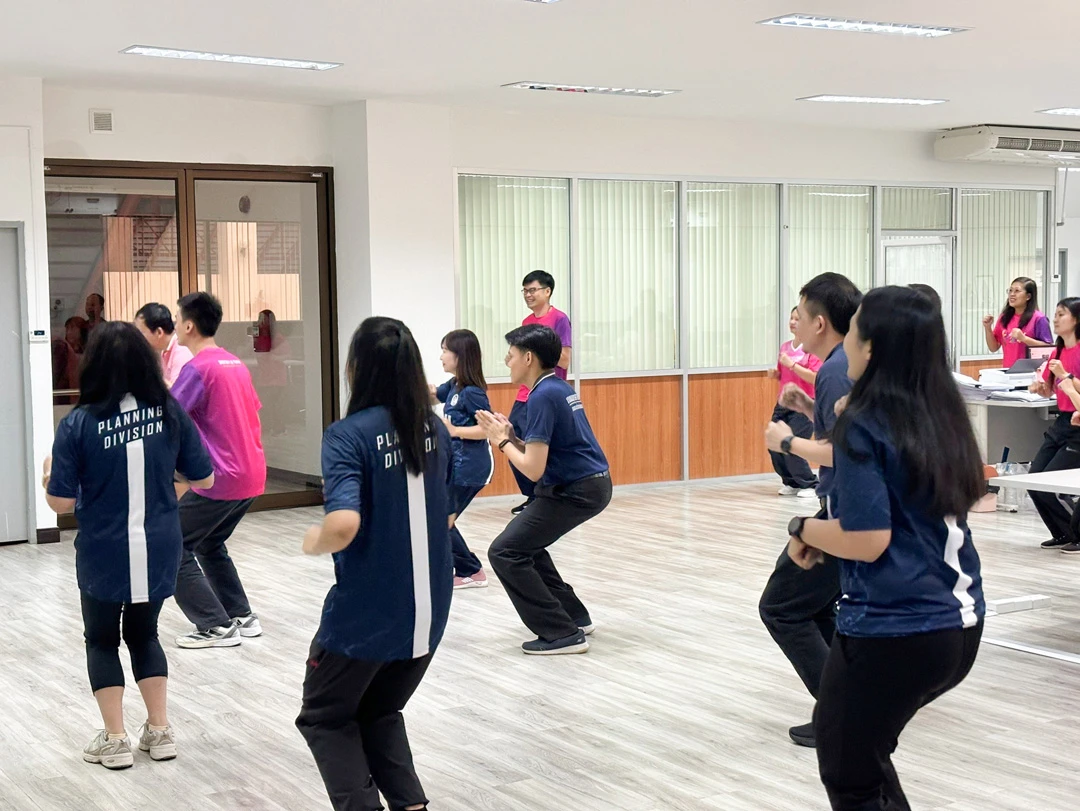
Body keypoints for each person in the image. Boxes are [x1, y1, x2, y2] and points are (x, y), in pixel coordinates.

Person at [788, 286, 984, 810]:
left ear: (871, 347)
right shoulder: (938, 412)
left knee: (849, 771)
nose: (844, 338)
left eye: (852, 330)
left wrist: (803, 529)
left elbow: (869, 540)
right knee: (865, 763)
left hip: (896, 628)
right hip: (958, 625)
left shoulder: (865, 422)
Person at [296, 317, 451, 811]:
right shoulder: (435, 428)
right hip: (430, 608)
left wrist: (314, 541)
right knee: (380, 710)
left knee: (324, 715)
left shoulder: (348, 435)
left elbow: (343, 524)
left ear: (356, 368)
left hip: (368, 613)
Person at [43, 322, 214, 769]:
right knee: (145, 633)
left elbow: (60, 502)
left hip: (104, 548)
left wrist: (49, 477)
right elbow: (205, 477)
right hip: (160, 546)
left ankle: (115, 739)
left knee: (101, 640)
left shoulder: (79, 422)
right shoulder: (170, 412)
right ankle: (159, 731)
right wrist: (161, 493)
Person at [761, 272, 862, 748]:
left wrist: (788, 440)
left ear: (820, 322)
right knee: (816, 607)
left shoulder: (838, 368)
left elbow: (847, 450)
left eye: (799, 313)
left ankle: (845, 715)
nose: (794, 322)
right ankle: (850, 701)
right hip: (845, 507)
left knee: (781, 608)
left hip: (847, 511)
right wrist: (807, 402)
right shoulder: (839, 365)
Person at [477, 325, 611, 655]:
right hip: (585, 484)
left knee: (505, 552)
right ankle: (574, 618)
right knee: (525, 547)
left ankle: (561, 633)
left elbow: (533, 468)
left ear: (528, 357)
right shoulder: (554, 388)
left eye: (509, 356)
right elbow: (542, 454)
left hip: (576, 490)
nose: (506, 361)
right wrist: (512, 436)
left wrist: (502, 441)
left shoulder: (542, 396)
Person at [170, 292, 267, 649]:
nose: (176, 326)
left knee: (170, 543)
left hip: (221, 477)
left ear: (190, 325)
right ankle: (241, 615)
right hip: (252, 474)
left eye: (178, 319)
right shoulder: (234, 363)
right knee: (210, 542)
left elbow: (170, 415)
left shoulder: (198, 368)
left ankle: (213, 625)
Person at [432, 329, 494, 589]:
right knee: (440, 517)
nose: (441, 356)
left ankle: (471, 570)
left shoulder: (472, 392)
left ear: (460, 356)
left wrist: (456, 431)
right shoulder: (454, 386)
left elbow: (488, 428)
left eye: (446, 350)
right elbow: (433, 394)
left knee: (441, 518)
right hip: (455, 465)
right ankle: (468, 568)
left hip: (471, 467)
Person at [508, 270, 572, 515]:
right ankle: (532, 496)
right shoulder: (526, 323)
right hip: (525, 393)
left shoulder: (559, 319)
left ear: (547, 291)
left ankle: (546, 497)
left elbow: (565, 360)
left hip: (547, 392)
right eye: (525, 290)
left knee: (541, 446)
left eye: (533, 290)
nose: (528, 295)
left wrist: (539, 354)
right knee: (511, 440)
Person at [1025, 297, 1080, 551]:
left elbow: (1070, 386)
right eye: (1055, 314)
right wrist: (1040, 387)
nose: (1055, 319)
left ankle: (1076, 532)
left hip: (1077, 426)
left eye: (1061, 314)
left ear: (1076, 320)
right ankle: (1062, 533)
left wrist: (1065, 377)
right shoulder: (1057, 352)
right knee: (1035, 479)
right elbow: (1049, 390)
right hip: (1061, 420)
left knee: (1053, 483)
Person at [768, 307, 822, 499]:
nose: (793, 322)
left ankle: (809, 483)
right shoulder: (785, 346)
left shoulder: (812, 348)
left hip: (804, 402)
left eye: (797, 319)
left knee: (794, 443)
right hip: (783, 401)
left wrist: (792, 365)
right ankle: (790, 481)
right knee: (774, 443)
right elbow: (783, 373)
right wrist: (776, 374)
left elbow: (815, 377)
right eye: (791, 318)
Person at [982, 277, 1053, 368]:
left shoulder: (1039, 318)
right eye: (1010, 290)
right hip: (1008, 372)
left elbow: (1048, 348)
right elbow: (993, 348)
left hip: (1031, 374)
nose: (1012, 294)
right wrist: (988, 328)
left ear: (1028, 296)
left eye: (1017, 291)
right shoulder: (1005, 317)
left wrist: (1024, 339)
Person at [134, 302, 194, 389]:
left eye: (141, 333)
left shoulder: (181, 351)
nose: (137, 338)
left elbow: (178, 394)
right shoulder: (164, 350)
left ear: (159, 332)